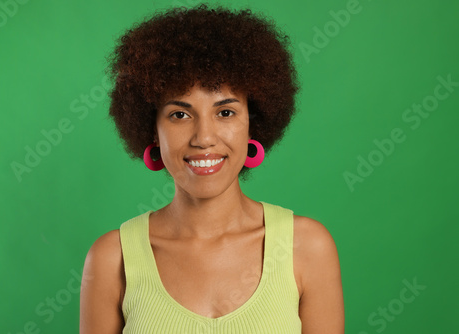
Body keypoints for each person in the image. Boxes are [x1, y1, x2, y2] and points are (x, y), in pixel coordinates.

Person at [80, 3, 344, 333]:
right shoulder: (111, 258)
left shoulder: (307, 248)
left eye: (225, 112)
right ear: (152, 129)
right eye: (180, 114)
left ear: (254, 123)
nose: (204, 138)